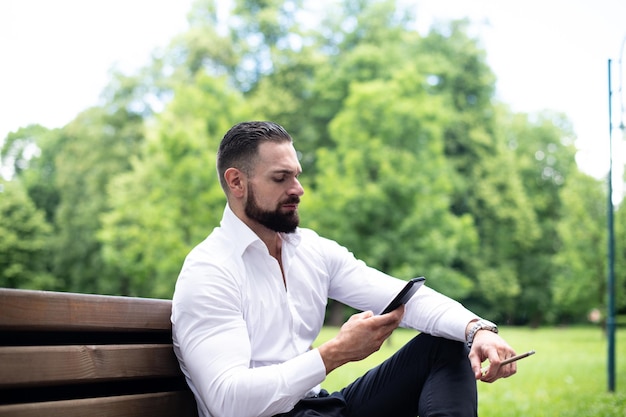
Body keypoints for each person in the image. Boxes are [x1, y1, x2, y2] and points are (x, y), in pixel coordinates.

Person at [171, 121, 517, 417]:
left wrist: (477, 329)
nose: (298, 189)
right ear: (236, 182)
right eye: (280, 178)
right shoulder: (210, 270)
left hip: (324, 408)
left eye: (296, 175)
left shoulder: (310, 251)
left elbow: (402, 298)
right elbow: (229, 401)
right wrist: (334, 353)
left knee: (446, 342)